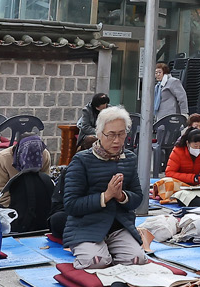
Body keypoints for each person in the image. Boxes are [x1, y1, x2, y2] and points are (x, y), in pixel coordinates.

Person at [59, 105, 151, 269]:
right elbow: (71, 205)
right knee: (97, 262)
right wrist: (106, 196)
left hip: (119, 226)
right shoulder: (81, 160)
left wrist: (121, 196)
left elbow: (137, 197)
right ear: (99, 133)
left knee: (137, 261)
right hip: (87, 226)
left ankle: (113, 252)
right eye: (111, 134)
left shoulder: (129, 158)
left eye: (121, 134)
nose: (117, 140)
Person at [153, 62, 188, 127]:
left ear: (165, 72)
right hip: (160, 117)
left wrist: (184, 114)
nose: (157, 75)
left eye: (159, 72)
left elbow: (182, 97)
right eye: (156, 73)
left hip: (171, 116)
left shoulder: (173, 81)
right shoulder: (158, 86)